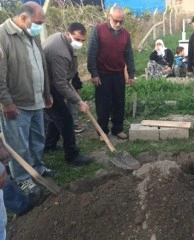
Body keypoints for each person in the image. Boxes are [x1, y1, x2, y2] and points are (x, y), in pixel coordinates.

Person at [0, 1, 56, 195]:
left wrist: (46, 93)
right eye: (38, 22)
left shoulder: (32, 35)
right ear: (23, 18)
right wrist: (6, 102)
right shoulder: (2, 36)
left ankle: (38, 168)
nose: (40, 26)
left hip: (36, 100)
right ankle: (23, 179)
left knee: (37, 139)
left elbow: (40, 65)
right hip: (16, 104)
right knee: (18, 143)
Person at [43, 22, 93, 166]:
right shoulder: (59, 52)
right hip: (49, 87)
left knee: (56, 117)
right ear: (68, 34)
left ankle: (49, 145)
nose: (80, 43)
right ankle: (72, 155)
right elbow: (60, 84)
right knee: (66, 120)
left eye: (83, 41)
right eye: (77, 40)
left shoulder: (59, 38)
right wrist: (79, 101)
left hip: (51, 83)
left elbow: (63, 78)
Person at [87, 5, 135, 140]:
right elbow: (92, 52)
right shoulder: (99, 30)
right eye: (116, 21)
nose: (118, 24)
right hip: (102, 74)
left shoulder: (125, 34)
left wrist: (131, 74)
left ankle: (117, 129)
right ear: (109, 17)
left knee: (119, 102)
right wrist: (94, 73)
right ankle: (103, 132)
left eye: (121, 21)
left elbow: (129, 55)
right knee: (103, 104)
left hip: (118, 73)